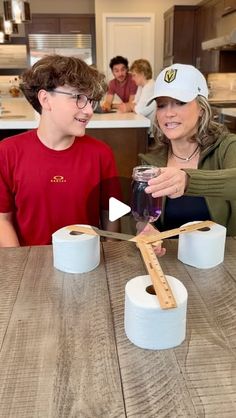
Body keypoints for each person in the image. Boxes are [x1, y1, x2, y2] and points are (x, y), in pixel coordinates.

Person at [0, 55, 121, 247]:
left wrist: (108, 252)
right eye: (79, 98)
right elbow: (2, 219)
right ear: (45, 99)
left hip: (86, 261)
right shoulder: (7, 152)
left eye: (91, 100)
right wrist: (21, 265)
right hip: (31, 264)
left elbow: (111, 214)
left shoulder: (101, 154)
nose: (89, 110)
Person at [138, 63, 236, 239]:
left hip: (224, 261)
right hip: (171, 263)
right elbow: (143, 216)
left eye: (180, 103)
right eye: (161, 105)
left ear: (201, 107)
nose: (168, 113)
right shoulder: (151, 162)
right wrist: (145, 228)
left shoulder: (226, 146)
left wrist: (188, 180)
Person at [118, 58, 156, 138]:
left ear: (142, 74)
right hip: (146, 129)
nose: (132, 78)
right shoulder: (141, 86)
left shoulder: (150, 86)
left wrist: (131, 106)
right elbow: (134, 103)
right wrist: (132, 106)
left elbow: (139, 110)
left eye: (134, 75)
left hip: (153, 135)